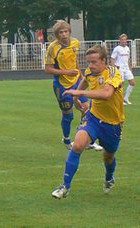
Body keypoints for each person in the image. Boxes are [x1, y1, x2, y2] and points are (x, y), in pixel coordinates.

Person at [51, 45, 125, 199]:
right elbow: (85, 80)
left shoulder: (114, 73)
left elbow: (106, 94)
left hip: (112, 125)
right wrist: (76, 97)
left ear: (104, 61)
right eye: (88, 62)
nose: (90, 66)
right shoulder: (90, 72)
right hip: (93, 118)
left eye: (94, 62)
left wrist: (79, 92)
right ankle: (65, 187)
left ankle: (109, 177)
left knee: (108, 156)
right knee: (78, 145)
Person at [44, 20, 102, 151]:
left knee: (87, 110)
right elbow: (47, 69)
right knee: (68, 115)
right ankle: (66, 140)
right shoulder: (53, 48)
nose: (64, 34)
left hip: (76, 82)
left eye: (66, 31)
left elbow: (73, 59)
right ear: (56, 35)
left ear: (69, 32)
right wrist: (66, 72)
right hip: (62, 85)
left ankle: (87, 140)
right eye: (61, 32)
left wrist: (81, 76)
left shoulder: (75, 43)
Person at [110, 33, 135, 105]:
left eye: (125, 40)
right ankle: (120, 100)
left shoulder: (127, 48)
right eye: (122, 40)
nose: (124, 41)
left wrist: (130, 69)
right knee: (121, 84)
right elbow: (112, 59)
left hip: (126, 68)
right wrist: (113, 69)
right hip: (119, 68)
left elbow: (128, 59)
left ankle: (126, 98)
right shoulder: (117, 49)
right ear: (120, 40)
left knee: (132, 83)